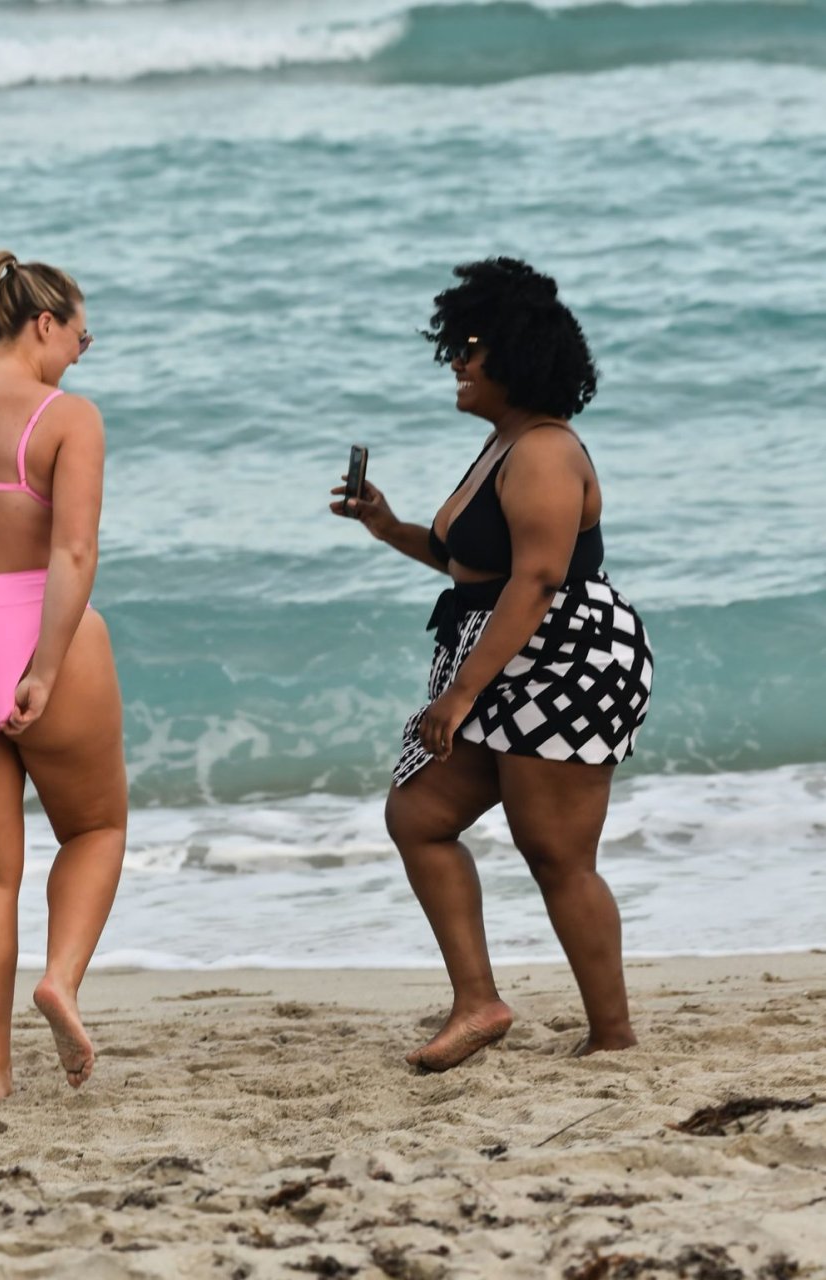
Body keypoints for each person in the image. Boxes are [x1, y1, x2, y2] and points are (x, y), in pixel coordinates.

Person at [331, 257, 652, 1071]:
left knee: (555, 854)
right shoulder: (504, 442)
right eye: (455, 346)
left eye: (469, 347)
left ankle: (613, 1037)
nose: (456, 362)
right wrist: (387, 526)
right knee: (419, 818)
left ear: (515, 354)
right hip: (503, 650)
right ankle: (478, 1003)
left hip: (564, 659)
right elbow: (471, 566)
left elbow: (538, 580)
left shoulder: (544, 451)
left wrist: (461, 695)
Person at [0, 250, 127, 1100]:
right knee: (95, 830)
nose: (79, 352)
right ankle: (60, 981)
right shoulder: (67, 418)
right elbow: (72, 552)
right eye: (81, 337)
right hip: (40, 634)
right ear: (44, 325)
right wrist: (44, 667)